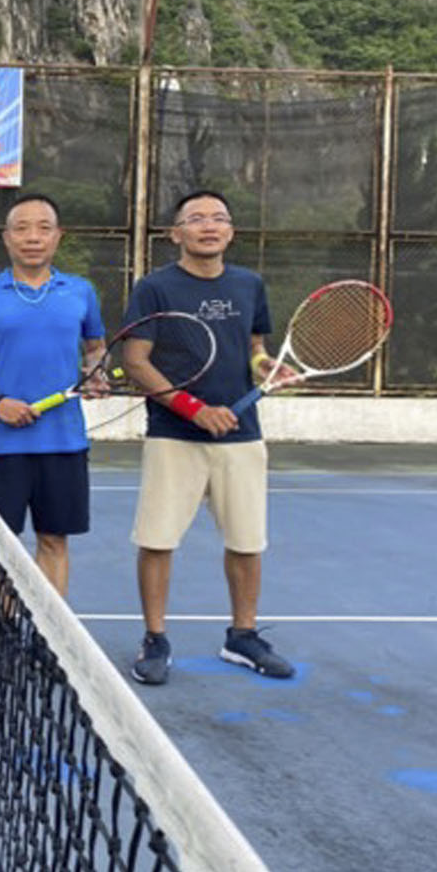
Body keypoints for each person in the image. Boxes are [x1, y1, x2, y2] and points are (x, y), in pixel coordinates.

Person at [121, 189, 295, 685]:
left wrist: (265, 365)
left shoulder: (249, 285)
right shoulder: (154, 288)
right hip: (173, 436)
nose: (209, 226)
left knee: (247, 542)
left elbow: (255, 346)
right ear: (176, 233)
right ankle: (155, 639)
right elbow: (135, 361)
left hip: (242, 436)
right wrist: (192, 409)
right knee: (157, 541)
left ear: (231, 232)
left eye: (219, 218)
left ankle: (243, 636)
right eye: (196, 218)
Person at [0, 193, 106, 596]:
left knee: (54, 541)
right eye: (22, 228)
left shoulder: (80, 291)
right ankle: (5, 627)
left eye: (43, 228)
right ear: (7, 237)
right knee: (1, 547)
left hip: (65, 443)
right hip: (1, 446)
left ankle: (50, 630)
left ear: (58, 236)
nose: (32, 237)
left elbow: (96, 347)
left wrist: (95, 371)